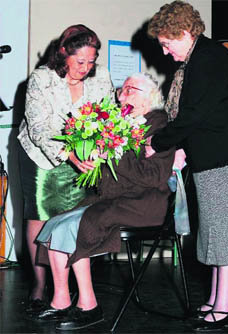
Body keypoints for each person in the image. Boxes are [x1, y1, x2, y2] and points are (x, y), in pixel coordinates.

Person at [145, 1, 228, 332]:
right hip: (217, 157)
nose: (164, 52)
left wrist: (158, 143)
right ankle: (215, 301)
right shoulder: (202, 58)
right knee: (217, 232)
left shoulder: (208, 60)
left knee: (227, 234)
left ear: (186, 33)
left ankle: (226, 307)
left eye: (167, 42)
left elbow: (193, 116)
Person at [27, 72, 176, 330]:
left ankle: (89, 305)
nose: (124, 94)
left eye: (132, 90)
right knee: (55, 223)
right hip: (114, 198)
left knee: (83, 223)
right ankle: (60, 300)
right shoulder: (119, 122)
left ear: (149, 98)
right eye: (124, 89)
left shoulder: (158, 125)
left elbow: (154, 177)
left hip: (145, 202)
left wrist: (112, 152)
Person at [17, 24, 115, 313]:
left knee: (74, 218)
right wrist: (70, 156)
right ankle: (38, 284)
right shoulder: (41, 79)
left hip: (84, 157)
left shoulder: (102, 78)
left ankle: (67, 287)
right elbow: (39, 128)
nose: (86, 68)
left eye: (91, 62)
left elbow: (107, 120)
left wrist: (99, 151)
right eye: (79, 61)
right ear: (63, 54)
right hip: (41, 157)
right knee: (40, 215)